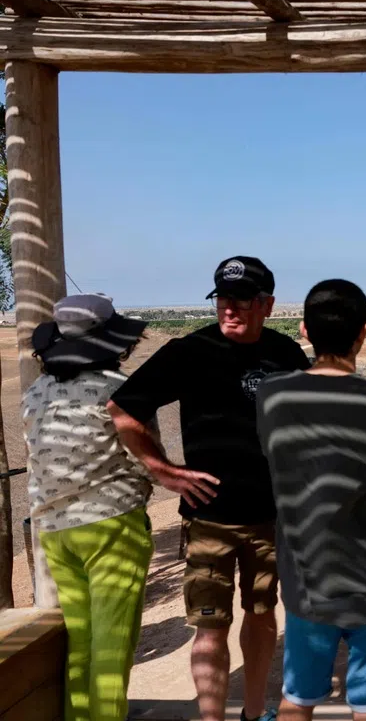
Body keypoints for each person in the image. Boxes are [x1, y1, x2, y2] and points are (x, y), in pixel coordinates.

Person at [110, 256, 310, 721]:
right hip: (208, 521)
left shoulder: (285, 355)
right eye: (222, 299)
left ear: (267, 304)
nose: (229, 309)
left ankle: (255, 712)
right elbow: (122, 410)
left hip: (269, 515)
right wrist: (164, 471)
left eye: (241, 300)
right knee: (209, 627)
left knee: (262, 617)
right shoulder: (189, 351)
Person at [257, 280, 366, 721]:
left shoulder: (273, 395)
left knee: (299, 698)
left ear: (304, 331)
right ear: (364, 331)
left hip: (309, 577)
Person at [24, 294, 153, 721]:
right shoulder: (118, 391)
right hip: (112, 524)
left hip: (56, 530)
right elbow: (147, 460)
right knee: (112, 649)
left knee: (81, 644)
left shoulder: (36, 392)